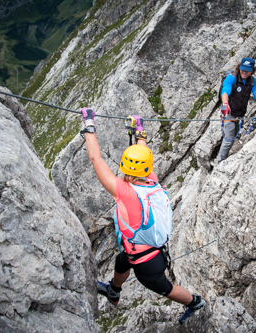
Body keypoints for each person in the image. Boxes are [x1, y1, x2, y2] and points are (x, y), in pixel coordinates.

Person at [79, 109, 205, 324]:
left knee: (165, 289)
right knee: (121, 261)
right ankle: (114, 291)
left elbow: (95, 158)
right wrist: (140, 132)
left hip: (146, 263)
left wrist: (88, 125)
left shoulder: (125, 191)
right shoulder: (151, 180)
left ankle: (195, 303)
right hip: (145, 251)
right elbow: (142, 154)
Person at [217, 57, 256, 163]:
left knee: (232, 137)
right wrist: (225, 104)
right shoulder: (232, 78)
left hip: (240, 115)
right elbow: (225, 91)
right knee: (229, 139)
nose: (244, 72)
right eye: (243, 69)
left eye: (247, 70)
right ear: (239, 68)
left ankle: (223, 157)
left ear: (252, 70)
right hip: (229, 114)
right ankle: (220, 161)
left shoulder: (253, 81)